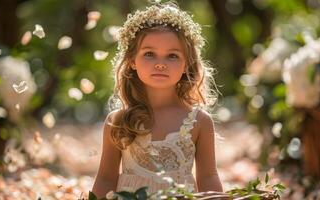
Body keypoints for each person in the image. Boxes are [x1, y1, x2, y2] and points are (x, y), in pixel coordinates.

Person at [92, 2, 223, 198]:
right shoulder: (118, 120)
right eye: (149, 54)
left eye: (172, 56)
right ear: (132, 61)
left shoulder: (199, 121)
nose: (160, 64)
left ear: (187, 63)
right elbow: (105, 178)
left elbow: (208, 177)